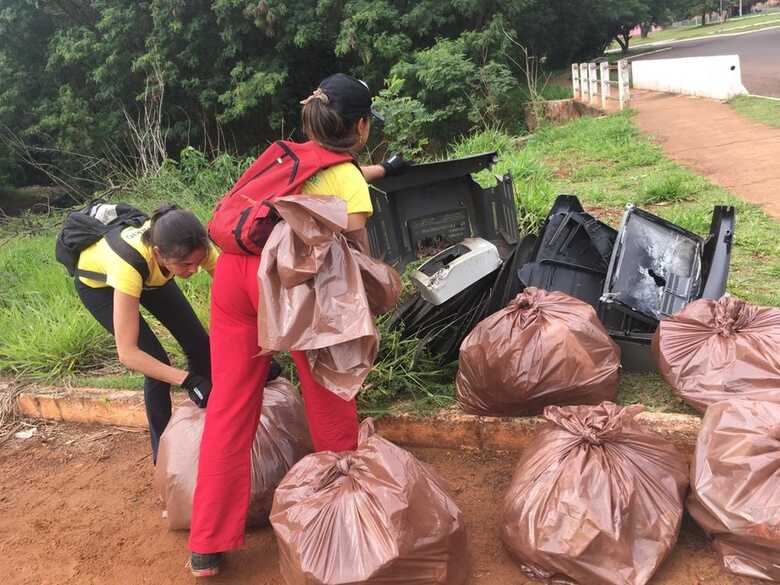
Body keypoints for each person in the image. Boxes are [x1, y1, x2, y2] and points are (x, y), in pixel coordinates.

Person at [188, 73, 407, 577]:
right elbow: (355, 248)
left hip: (234, 275)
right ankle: (342, 525)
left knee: (229, 406)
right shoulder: (347, 179)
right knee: (329, 395)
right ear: (362, 126)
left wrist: (377, 171)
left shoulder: (284, 157)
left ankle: (206, 545)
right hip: (292, 282)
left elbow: (319, 183)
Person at [74, 204, 216, 460]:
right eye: (186, 265)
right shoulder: (129, 265)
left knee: (199, 344)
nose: (194, 270)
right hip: (101, 286)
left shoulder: (193, 246)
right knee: (156, 364)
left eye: (198, 262)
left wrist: (252, 346)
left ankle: (207, 430)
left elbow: (236, 292)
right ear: (158, 252)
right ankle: (163, 456)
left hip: (151, 274)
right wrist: (188, 380)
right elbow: (129, 354)